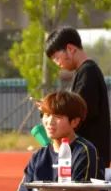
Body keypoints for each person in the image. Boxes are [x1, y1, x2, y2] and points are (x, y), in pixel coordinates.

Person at [44, 27, 110, 171]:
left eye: (56, 57)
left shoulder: (88, 72)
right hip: (86, 155)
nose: (56, 63)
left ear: (70, 49)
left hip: (91, 156)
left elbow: (77, 112)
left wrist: (51, 108)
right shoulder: (83, 72)